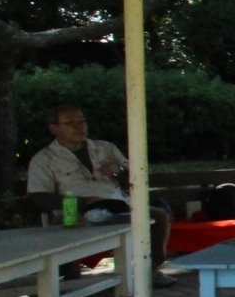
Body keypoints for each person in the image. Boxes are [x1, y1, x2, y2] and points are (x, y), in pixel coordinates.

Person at [25, 104, 173, 277]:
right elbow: (40, 196)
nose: (79, 127)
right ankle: (68, 275)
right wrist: (84, 202)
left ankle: (149, 270)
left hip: (117, 206)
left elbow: (137, 178)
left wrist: (119, 171)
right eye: (70, 123)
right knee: (61, 226)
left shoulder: (105, 148)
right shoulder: (44, 159)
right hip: (76, 211)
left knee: (158, 216)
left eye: (82, 122)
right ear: (53, 128)